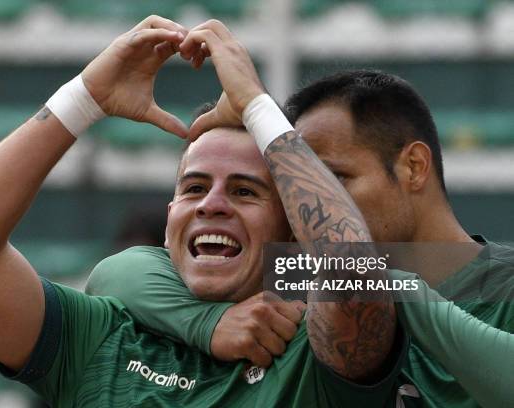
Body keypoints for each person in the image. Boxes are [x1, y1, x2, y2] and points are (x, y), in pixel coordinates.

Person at [0, 16, 406, 407]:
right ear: (172, 211)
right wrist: (84, 99)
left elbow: (352, 269)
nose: (211, 205)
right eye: (194, 188)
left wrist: (257, 106)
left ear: (291, 228)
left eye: (244, 192)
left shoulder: (317, 349)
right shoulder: (102, 335)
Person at [88, 64, 514, 406]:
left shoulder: (505, 282)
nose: (315, 210)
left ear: (414, 167)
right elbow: (121, 272)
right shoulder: (300, 271)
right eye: (297, 189)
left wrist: (391, 286)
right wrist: (210, 323)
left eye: (332, 180)